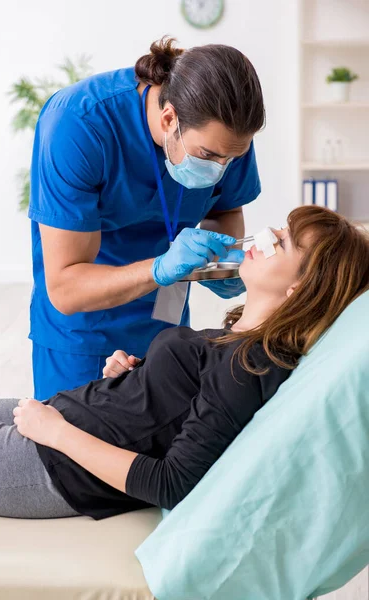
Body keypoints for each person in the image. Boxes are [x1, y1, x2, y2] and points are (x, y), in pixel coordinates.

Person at [0, 207, 368, 520]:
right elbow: (181, 406)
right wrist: (138, 378)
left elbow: (174, 484)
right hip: (62, 418)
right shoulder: (240, 337)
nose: (265, 235)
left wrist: (56, 434)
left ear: (297, 289)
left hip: (57, 464)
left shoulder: (250, 365)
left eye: (281, 242)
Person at [29, 36, 265, 400]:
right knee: (69, 445)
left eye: (231, 159)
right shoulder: (79, 124)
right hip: (85, 329)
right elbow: (65, 287)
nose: (221, 168)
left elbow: (227, 208)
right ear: (169, 117)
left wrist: (223, 261)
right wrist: (161, 267)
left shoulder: (226, 137)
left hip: (167, 327)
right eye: (208, 155)